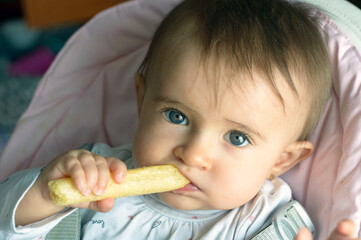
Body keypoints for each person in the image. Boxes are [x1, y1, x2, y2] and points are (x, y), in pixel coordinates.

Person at [0, 0, 359, 239]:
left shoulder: (270, 222)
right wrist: (45, 194)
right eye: (176, 115)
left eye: (237, 138)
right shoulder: (97, 173)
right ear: (142, 101)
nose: (193, 154)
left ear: (281, 161)